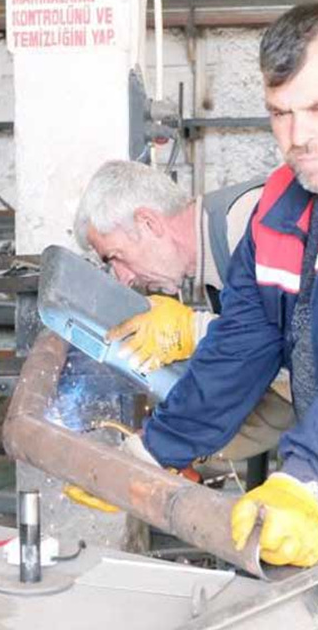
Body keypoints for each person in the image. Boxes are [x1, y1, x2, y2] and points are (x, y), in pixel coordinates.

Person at [133, 1, 318, 628]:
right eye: (280, 114)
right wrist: (152, 452)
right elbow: (241, 343)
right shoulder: (283, 202)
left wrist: (306, 477)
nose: (298, 136)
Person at [72, 161, 294, 468]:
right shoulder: (213, 257)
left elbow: (295, 342)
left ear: (148, 223)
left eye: (117, 257)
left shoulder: (247, 222)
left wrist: (196, 329)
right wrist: (158, 455)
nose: (123, 278)